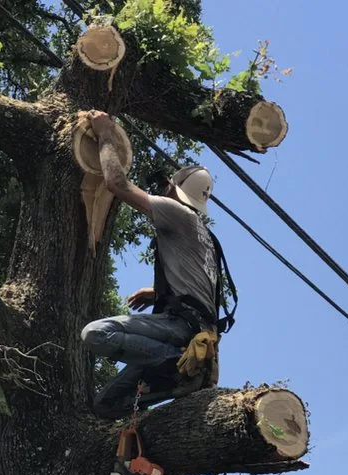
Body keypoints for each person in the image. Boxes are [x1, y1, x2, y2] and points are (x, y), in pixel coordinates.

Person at [80, 110, 236, 420]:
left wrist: (105, 133)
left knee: (96, 334)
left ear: (176, 191)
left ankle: (175, 363)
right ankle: (175, 382)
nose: (164, 190)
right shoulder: (207, 238)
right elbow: (201, 291)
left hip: (180, 333)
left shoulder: (177, 213)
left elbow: (117, 184)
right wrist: (157, 292)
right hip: (196, 334)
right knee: (103, 406)